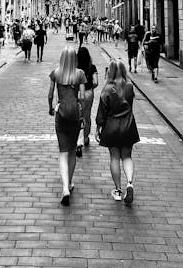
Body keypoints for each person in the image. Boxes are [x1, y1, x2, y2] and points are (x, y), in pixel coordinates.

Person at [95, 59, 140, 205]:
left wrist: (98, 127)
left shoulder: (107, 89)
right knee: (127, 156)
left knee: (114, 157)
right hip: (128, 126)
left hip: (112, 127)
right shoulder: (129, 87)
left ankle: (118, 190)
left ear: (110, 71)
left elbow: (102, 110)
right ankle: (130, 183)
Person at [48, 46, 86, 205]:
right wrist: (81, 113)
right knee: (71, 150)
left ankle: (64, 188)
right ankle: (69, 182)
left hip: (61, 113)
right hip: (75, 115)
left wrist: (50, 107)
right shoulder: (80, 74)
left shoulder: (56, 73)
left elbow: (50, 94)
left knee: (63, 151)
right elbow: (82, 97)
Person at [76, 46, 98, 156]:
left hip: (76, 93)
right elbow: (96, 82)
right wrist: (90, 88)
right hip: (88, 93)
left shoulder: (75, 67)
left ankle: (77, 139)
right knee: (86, 116)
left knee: (77, 116)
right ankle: (85, 137)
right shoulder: (92, 67)